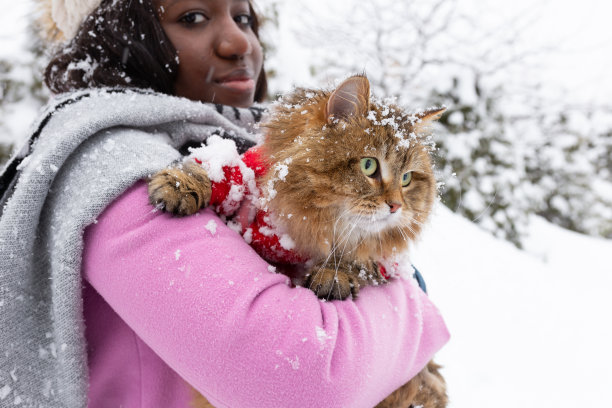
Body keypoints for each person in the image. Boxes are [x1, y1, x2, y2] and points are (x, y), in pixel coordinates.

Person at [0, 0, 450, 407]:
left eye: (245, 18)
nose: (239, 42)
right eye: (192, 17)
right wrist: (413, 306)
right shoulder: (112, 160)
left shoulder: (250, 147)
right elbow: (302, 381)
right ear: (121, 34)